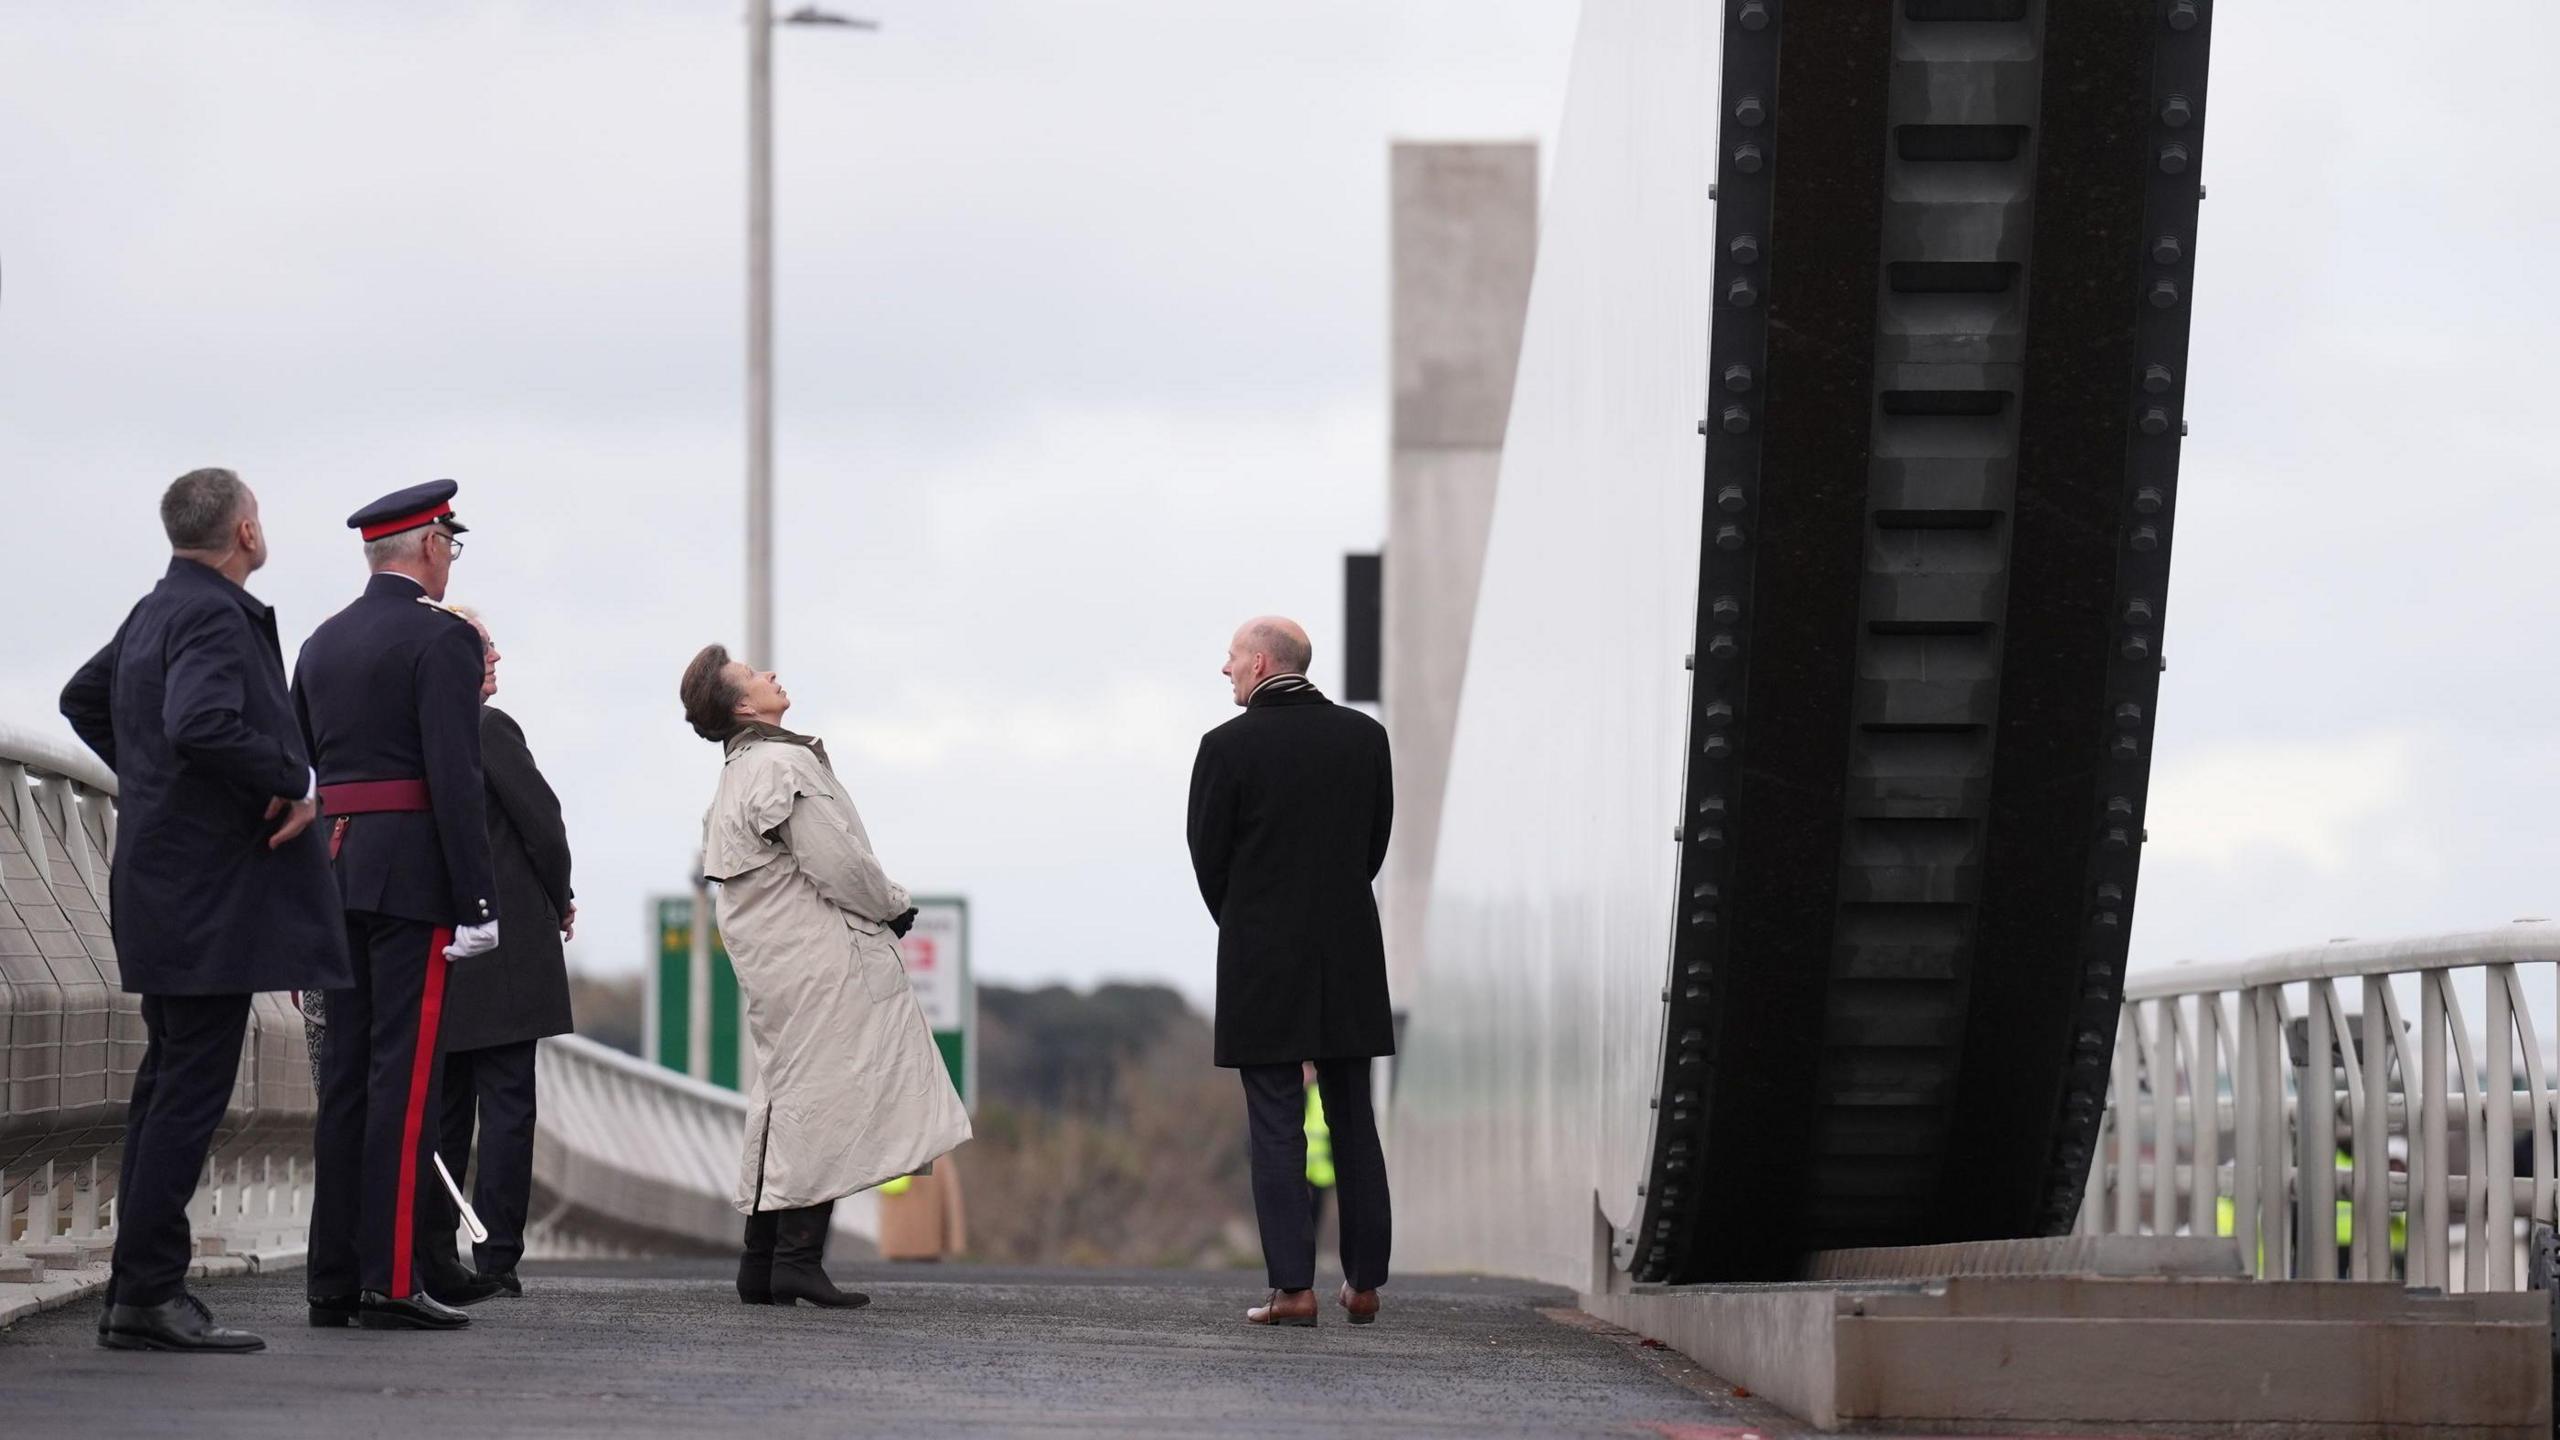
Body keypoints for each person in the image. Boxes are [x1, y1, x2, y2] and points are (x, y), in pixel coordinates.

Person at [59, 469, 354, 1353]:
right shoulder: (215, 614)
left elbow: (83, 699)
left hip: (161, 883)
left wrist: (155, 785)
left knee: (168, 1087)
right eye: (258, 517)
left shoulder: (157, 608)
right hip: (208, 896)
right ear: (245, 534)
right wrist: (292, 777)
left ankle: (136, 1292)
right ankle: (149, 1293)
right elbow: (201, 723)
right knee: (188, 1093)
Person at [677, 644, 971, 1310]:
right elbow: (837, 863)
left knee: (784, 1095)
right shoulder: (784, 764)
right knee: (828, 1098)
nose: (771, 675)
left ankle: (763, 1262)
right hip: (819, 956)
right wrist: (894, 904)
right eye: (755, 676)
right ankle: (799, 1259)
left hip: (772, 959)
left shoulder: (734, 775)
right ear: (745, 706)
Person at [293, 479, 500, 1332]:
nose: (451, 556)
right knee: (404, 1083)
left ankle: (334, 1277)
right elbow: (455, 777)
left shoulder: (320, 643)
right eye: (450, 541)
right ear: (424, 545)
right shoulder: (440, 642)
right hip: (412, 878)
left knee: (344, 1080)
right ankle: (392, 1278)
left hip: (335, 872)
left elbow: (309, 763)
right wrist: (478, 899)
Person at [1186, 616, 1394, 1328]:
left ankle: (1293, 1291)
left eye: (1232, 657)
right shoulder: (1365, 739)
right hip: (1349, 955)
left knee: (1276, 1123)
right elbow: (1374, 846)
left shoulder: (1224, 748)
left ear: (1262, 663)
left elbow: (1209, 860)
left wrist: (1250, 923)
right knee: (1352, 1118)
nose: (1226, 670)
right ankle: (1363, 1285)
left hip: (1261, 959)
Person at [413, 606, 576, 1302]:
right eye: (485, 649)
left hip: (439, 945)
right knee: (507, 1107)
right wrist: (561, 896)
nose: (497, 658)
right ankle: (498, 1255)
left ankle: (439, 1250)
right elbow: (542, 822)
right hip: (506, 949)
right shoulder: (488, 729)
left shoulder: (413, 734)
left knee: (446, 1111)